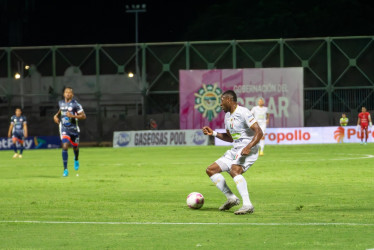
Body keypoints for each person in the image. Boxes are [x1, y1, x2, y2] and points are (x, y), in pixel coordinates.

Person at [202, 90, 263, 215]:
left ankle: (247, 205)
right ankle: (231, 198)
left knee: (234, 170)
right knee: (211, 170)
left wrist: (249, 146)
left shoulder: (243, 112)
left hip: (248, 149)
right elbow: (231, 138)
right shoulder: (227, 116)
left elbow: (259, 132)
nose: (220, 104)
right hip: (236, 149)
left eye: (222, 101)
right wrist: (213, 133)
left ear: (229, 100)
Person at [53, 87, 86, 177]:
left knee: (75, 148)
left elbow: (83, 116)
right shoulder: (61, 103)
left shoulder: (76, 104)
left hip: (74, 130)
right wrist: (55, 116)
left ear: (72, 94)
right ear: (64, 94)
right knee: (65, 146)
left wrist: (72, 116)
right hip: (64, 129)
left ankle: (76, 159)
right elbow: (60, 111)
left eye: (69, 92)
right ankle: (65, 170)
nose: (67, 94)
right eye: (66, 92)